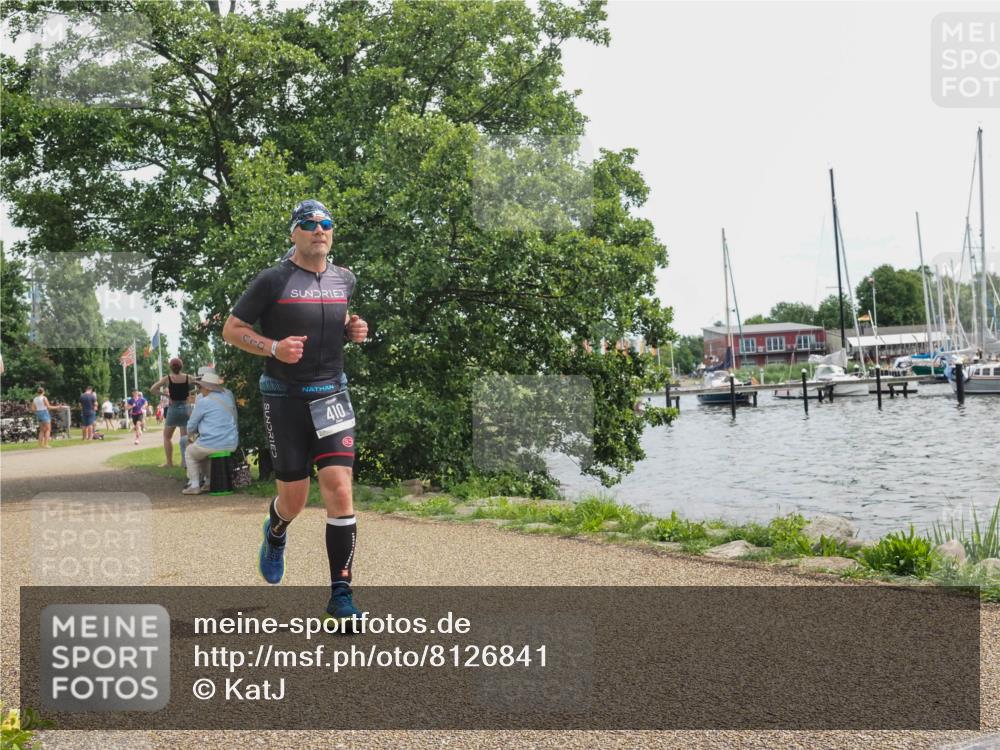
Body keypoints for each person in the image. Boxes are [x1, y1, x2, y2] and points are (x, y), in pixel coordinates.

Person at [222, 198, 368, 623]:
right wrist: (272, 348)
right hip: (284, 397)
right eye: (309, 223)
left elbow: (333, 318)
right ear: (294, 233)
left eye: (326, 223)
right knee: (294, 500)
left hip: (332, 395)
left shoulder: (345, 279)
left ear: (332, 233)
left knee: (339, 488)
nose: (319, 229)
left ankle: (341, 595)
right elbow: (232, 329)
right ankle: (276, 530)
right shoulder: (272, 280)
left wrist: (352, 327)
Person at [182, 372, 239, 494]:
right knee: (202, 452)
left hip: (213, 443)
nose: (199, 389)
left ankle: (195, 485)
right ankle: (208, 482)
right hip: (231, 442)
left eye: (201, 387)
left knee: (190, 452)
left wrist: (190, 435)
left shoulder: (204, 401)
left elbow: (191, 424)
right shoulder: (227, 398)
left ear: (207, 387)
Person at [150, 357, 195, 468]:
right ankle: (185, 463)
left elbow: (152, 389)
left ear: (170, 367)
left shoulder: (168, 378)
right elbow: (202, 385)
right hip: (186, 408)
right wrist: (191, 392)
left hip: (173, 408)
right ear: (181, 367)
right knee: (185, 438)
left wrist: (166, 395)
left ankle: (169, 462)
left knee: (167, 437)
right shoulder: (188, 377)